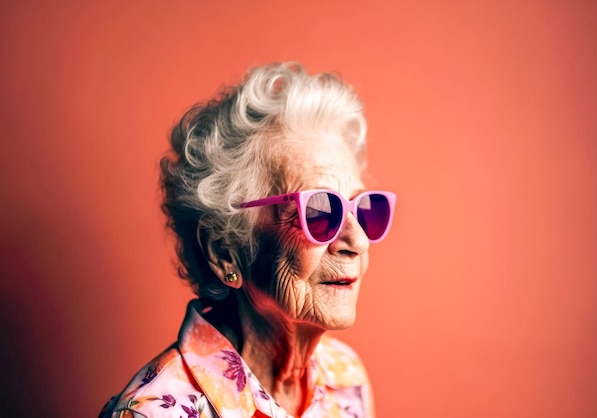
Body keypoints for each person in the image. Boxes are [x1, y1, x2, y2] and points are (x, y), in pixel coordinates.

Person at [99, 62, 396, 418]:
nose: (358, 242)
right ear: (225, 251)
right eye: (319, 212)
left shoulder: (345, 378)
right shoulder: (152, 413)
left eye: (364, 210)